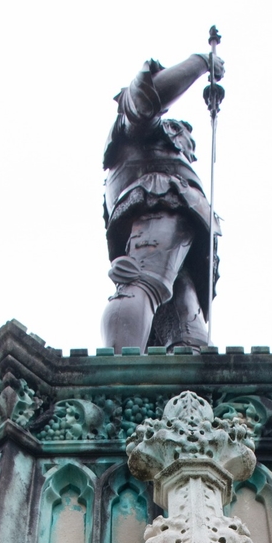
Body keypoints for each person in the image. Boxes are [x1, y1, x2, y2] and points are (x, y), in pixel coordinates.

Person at [101, 53, 224, 353]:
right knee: (143, 282)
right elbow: (145, 100)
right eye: (185, 140)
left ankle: (192, 396)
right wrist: (201, 62)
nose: (189, 152)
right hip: (160, 204)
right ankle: (117, 380)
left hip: (181, 230)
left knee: (187, 329)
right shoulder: (141, 132)